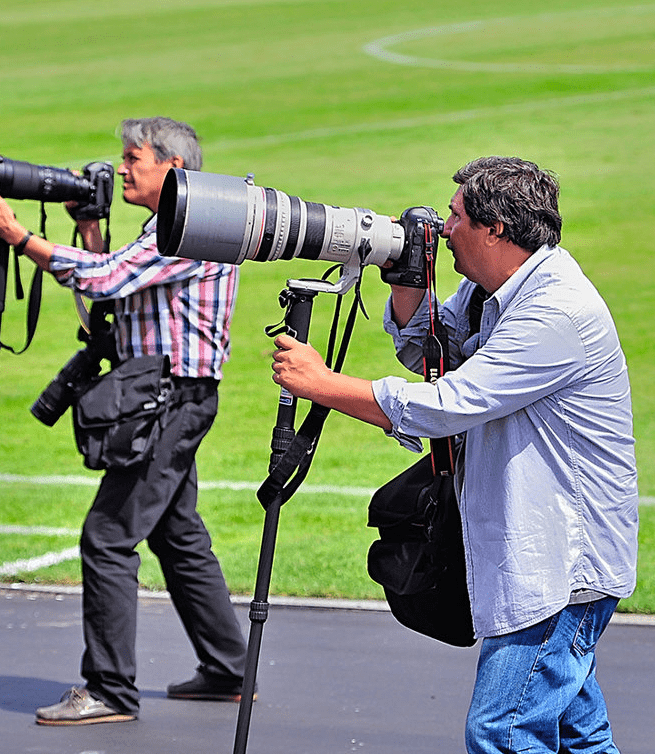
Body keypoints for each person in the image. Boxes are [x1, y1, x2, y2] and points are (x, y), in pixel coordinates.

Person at [271, 156, 638, 753]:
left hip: (559, 567)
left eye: (457, 215)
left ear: (495, 228)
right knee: (580, 738)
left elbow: (449, 401)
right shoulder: (496, 289)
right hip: (544, 554)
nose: (444, 228)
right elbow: (431, 356)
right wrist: (408, 278)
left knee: (503, 732)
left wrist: (322, 385)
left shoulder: (556, 311)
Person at [0, 116, 248, 726]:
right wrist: (89, 231)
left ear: (172, 168)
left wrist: (21, 237)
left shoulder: (190, 226)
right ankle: (230, 668)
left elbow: (106, 278)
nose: (122, 168)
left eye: (133, 158)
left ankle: (109, 691)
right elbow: (119, 288)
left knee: (106, 536)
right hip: (176, 398)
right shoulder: (183, 222)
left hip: (169, 402)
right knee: (177, 535)